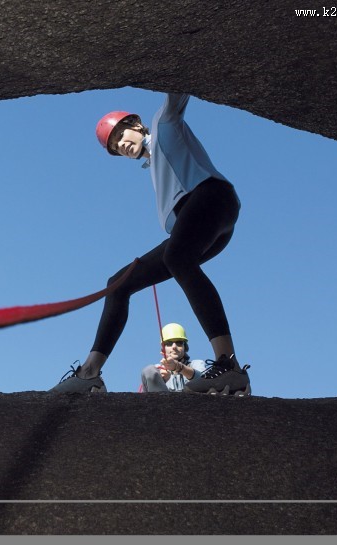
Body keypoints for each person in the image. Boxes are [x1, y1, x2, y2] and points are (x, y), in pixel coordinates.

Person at [51, 93, 251, 396]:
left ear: (137, 124)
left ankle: (228, 365)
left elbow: (176, 93)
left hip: (211, 199)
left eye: (120, 133)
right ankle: (89, 373)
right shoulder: (153, 167)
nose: (120, 144)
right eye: (114, 145)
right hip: (197, 222)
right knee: (119, 283)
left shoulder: (164, 124)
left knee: (177, 257)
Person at [141, 323, 207, 393]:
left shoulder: (196, 364)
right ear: (163, 349)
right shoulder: (158, 370)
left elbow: (204, 381)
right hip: (163, 402)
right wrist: (160, 381)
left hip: (194, 402)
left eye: (179, 342)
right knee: (149, 370)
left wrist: (178, 366)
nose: (174, 346)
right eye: (169, 343)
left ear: (185, 347)